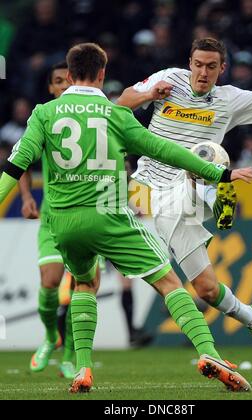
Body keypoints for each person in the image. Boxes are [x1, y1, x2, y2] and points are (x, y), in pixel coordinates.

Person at [0, 43, 252, 394]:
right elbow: (166, 150)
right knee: (168, 283)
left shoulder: (44, 113)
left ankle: (83, 369)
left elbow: (14, 168)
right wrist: (220, 174)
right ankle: (209, 353)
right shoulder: (114, 114)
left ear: (70, 75)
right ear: (103, 74)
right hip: (108, 214)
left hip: (62, 222)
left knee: (84, 285)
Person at [117, 27, 252, 358]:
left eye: (211, 66)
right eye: (198, 64)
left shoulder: (229, 99)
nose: (203, 72)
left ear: (221, 69)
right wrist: (151, 94)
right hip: (144, 185)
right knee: (123, 243)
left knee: (207, 289)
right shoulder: (170, 78)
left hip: (181, 192)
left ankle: (213, 195)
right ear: (189, 63)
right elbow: (122, 103)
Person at [19, 61, 100, 380]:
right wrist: (26, 197)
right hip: (55, 216)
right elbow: (21, 160)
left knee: (84, 286)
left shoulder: (96, 116)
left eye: (69, 79)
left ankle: (70, 355)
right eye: (57, 81)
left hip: (93, 216)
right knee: (50, 282)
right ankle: (51, 336)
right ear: (51, 88)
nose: (64, 85)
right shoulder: (46, 117)